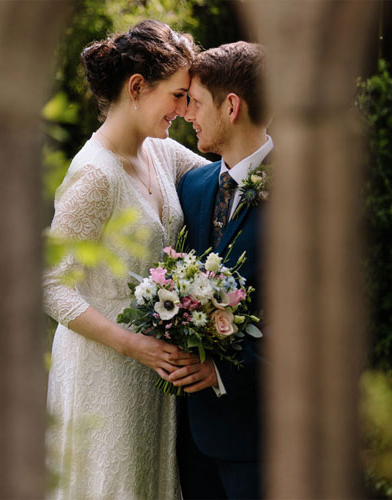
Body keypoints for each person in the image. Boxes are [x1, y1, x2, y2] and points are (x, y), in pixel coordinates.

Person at [43, 20, 208, 500]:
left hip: (151, 377)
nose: (184, 109)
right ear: (137, 87)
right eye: (178, 96)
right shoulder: (94, 174)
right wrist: (131, 345)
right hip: (103, 371)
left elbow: (227, 175)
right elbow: (50, 284)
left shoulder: (159, 151)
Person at [171, 41, 272, 499]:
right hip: (192, 440)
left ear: (231, 106)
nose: (187, 113)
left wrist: (225, 373)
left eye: (193, 100)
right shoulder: (191, 186)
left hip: (264, 441)